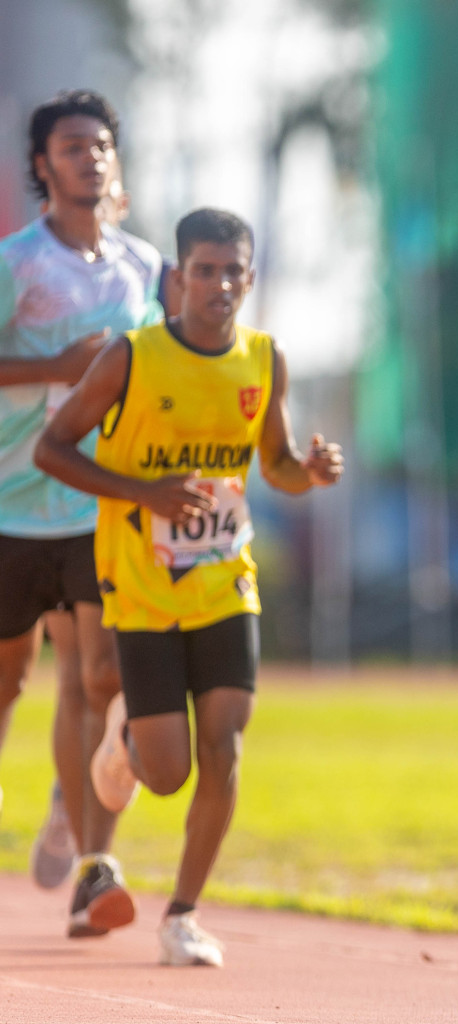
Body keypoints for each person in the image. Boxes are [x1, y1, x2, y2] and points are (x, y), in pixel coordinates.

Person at [35, 207, 344, 966]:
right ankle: (129, 739)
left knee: (226, 745)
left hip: (224, 581)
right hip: (142, 584)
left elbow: (272, 464)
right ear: (177, 278)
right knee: (168, 773)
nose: (220, 284)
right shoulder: (130, 358)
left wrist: (306, 474)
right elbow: (52, 448)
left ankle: (182, 915)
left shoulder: (265, 360)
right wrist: (146, 493)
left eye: (233, 270)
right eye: (204, 270)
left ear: (249, 277)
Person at [0, 90, 162, 932]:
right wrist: (56, 366)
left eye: (100, 144)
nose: (89, 157)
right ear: (42, 164)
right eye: (71, 146)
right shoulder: (16, 263)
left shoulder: (142, 266)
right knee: (8, 681)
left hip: (98, 503)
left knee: (95, 680)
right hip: (10, 499)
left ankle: (94, 870)